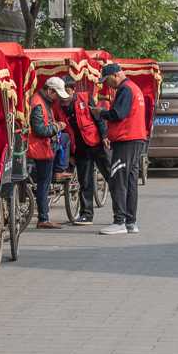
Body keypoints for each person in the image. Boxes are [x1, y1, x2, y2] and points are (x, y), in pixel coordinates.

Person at [97, 63, 148, 235]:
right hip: (136, 139)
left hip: (126, 139)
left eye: (108, 80)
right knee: (131, 182)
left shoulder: (125, 89)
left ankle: (119, 221)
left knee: (117, 179)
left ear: (116, 75)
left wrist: (101, 113)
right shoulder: (135, 88)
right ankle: (131, 222)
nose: (108, 84)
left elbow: (118, 114)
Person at [56, 75, 112, 225]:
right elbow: (62, 135)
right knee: (85, 183)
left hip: (96, 144)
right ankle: (86, 215)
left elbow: (98, 118)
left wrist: (104, 136)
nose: (65, 96)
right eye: (62, 92)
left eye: (67, 91)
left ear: (73, 90)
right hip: (79, 149)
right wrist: (69, 155)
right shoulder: (57, 107)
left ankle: (122, 212)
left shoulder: (85, 98)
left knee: (111, 177)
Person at [28, 76, 70, 229]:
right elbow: (39, 129)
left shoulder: (42, 100)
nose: (57, 98)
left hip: (45, 146)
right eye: (56, 94)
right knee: (44, 184)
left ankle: (60, 170)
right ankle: (43, 217)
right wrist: (56, 127)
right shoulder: (39, 103)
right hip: (40, 148)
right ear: (49, 90)